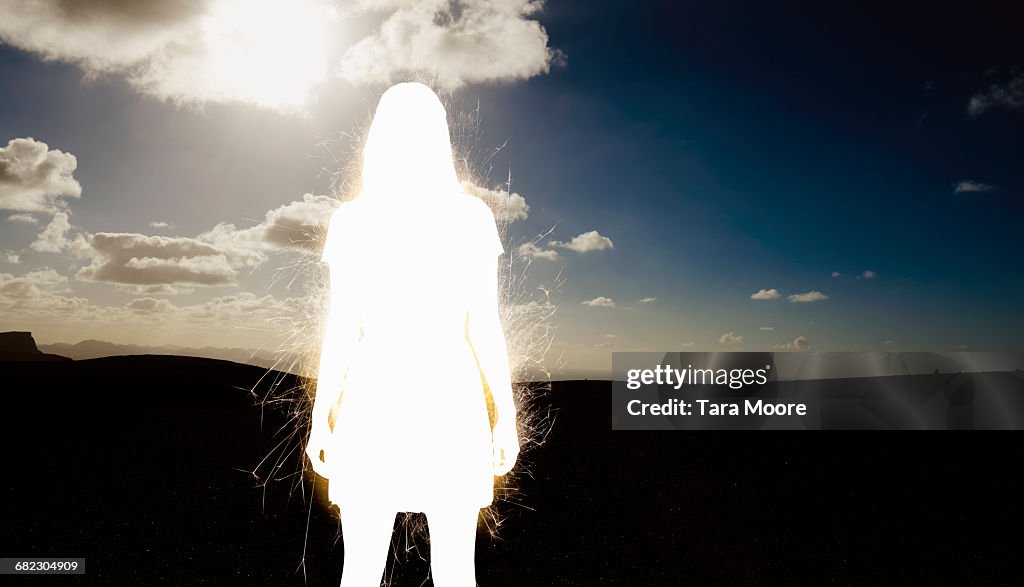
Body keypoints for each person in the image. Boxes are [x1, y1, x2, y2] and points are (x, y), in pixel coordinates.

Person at [305, 82, 520, 587]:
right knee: (448, 571)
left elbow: (343, 329)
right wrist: (504, 415)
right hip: (441, 393)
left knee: (365, 570)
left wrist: (321, 417)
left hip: (383, 392)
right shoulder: (467, 216)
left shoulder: (356, 219)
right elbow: (483, 325)